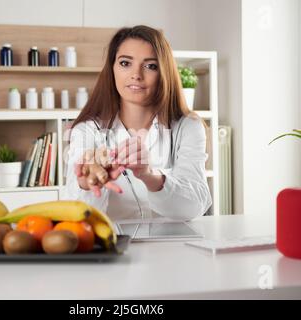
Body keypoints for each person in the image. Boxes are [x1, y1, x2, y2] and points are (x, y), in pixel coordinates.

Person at [62, 25, 212, 221]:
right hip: (113, 246)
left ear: (164, 73)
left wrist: (149, 176)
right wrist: (85, 185)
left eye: (150, 66)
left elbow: (194, 206)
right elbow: (76, 216)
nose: (136, 75)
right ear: (112, 69)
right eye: (125, 63)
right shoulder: (86, 131)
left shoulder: (188, 127)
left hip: (174, 248)